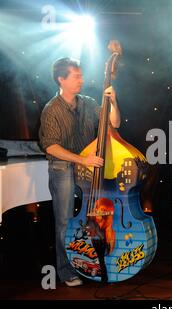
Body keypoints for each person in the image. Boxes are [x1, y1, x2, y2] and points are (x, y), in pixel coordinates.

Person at [39, 57, 121, 286]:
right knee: (65, 221)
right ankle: (66, 272)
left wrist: (113, 102)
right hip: (63, 167)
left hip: (85, 167)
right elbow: (51, 146)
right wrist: (82, 159)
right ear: (61, 79)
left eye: (81, 75)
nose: (81, 80)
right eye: (76, 76)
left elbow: (114, 123)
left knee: (91, 217)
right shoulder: (51, 109)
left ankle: (91, 262)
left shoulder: (87, 102)